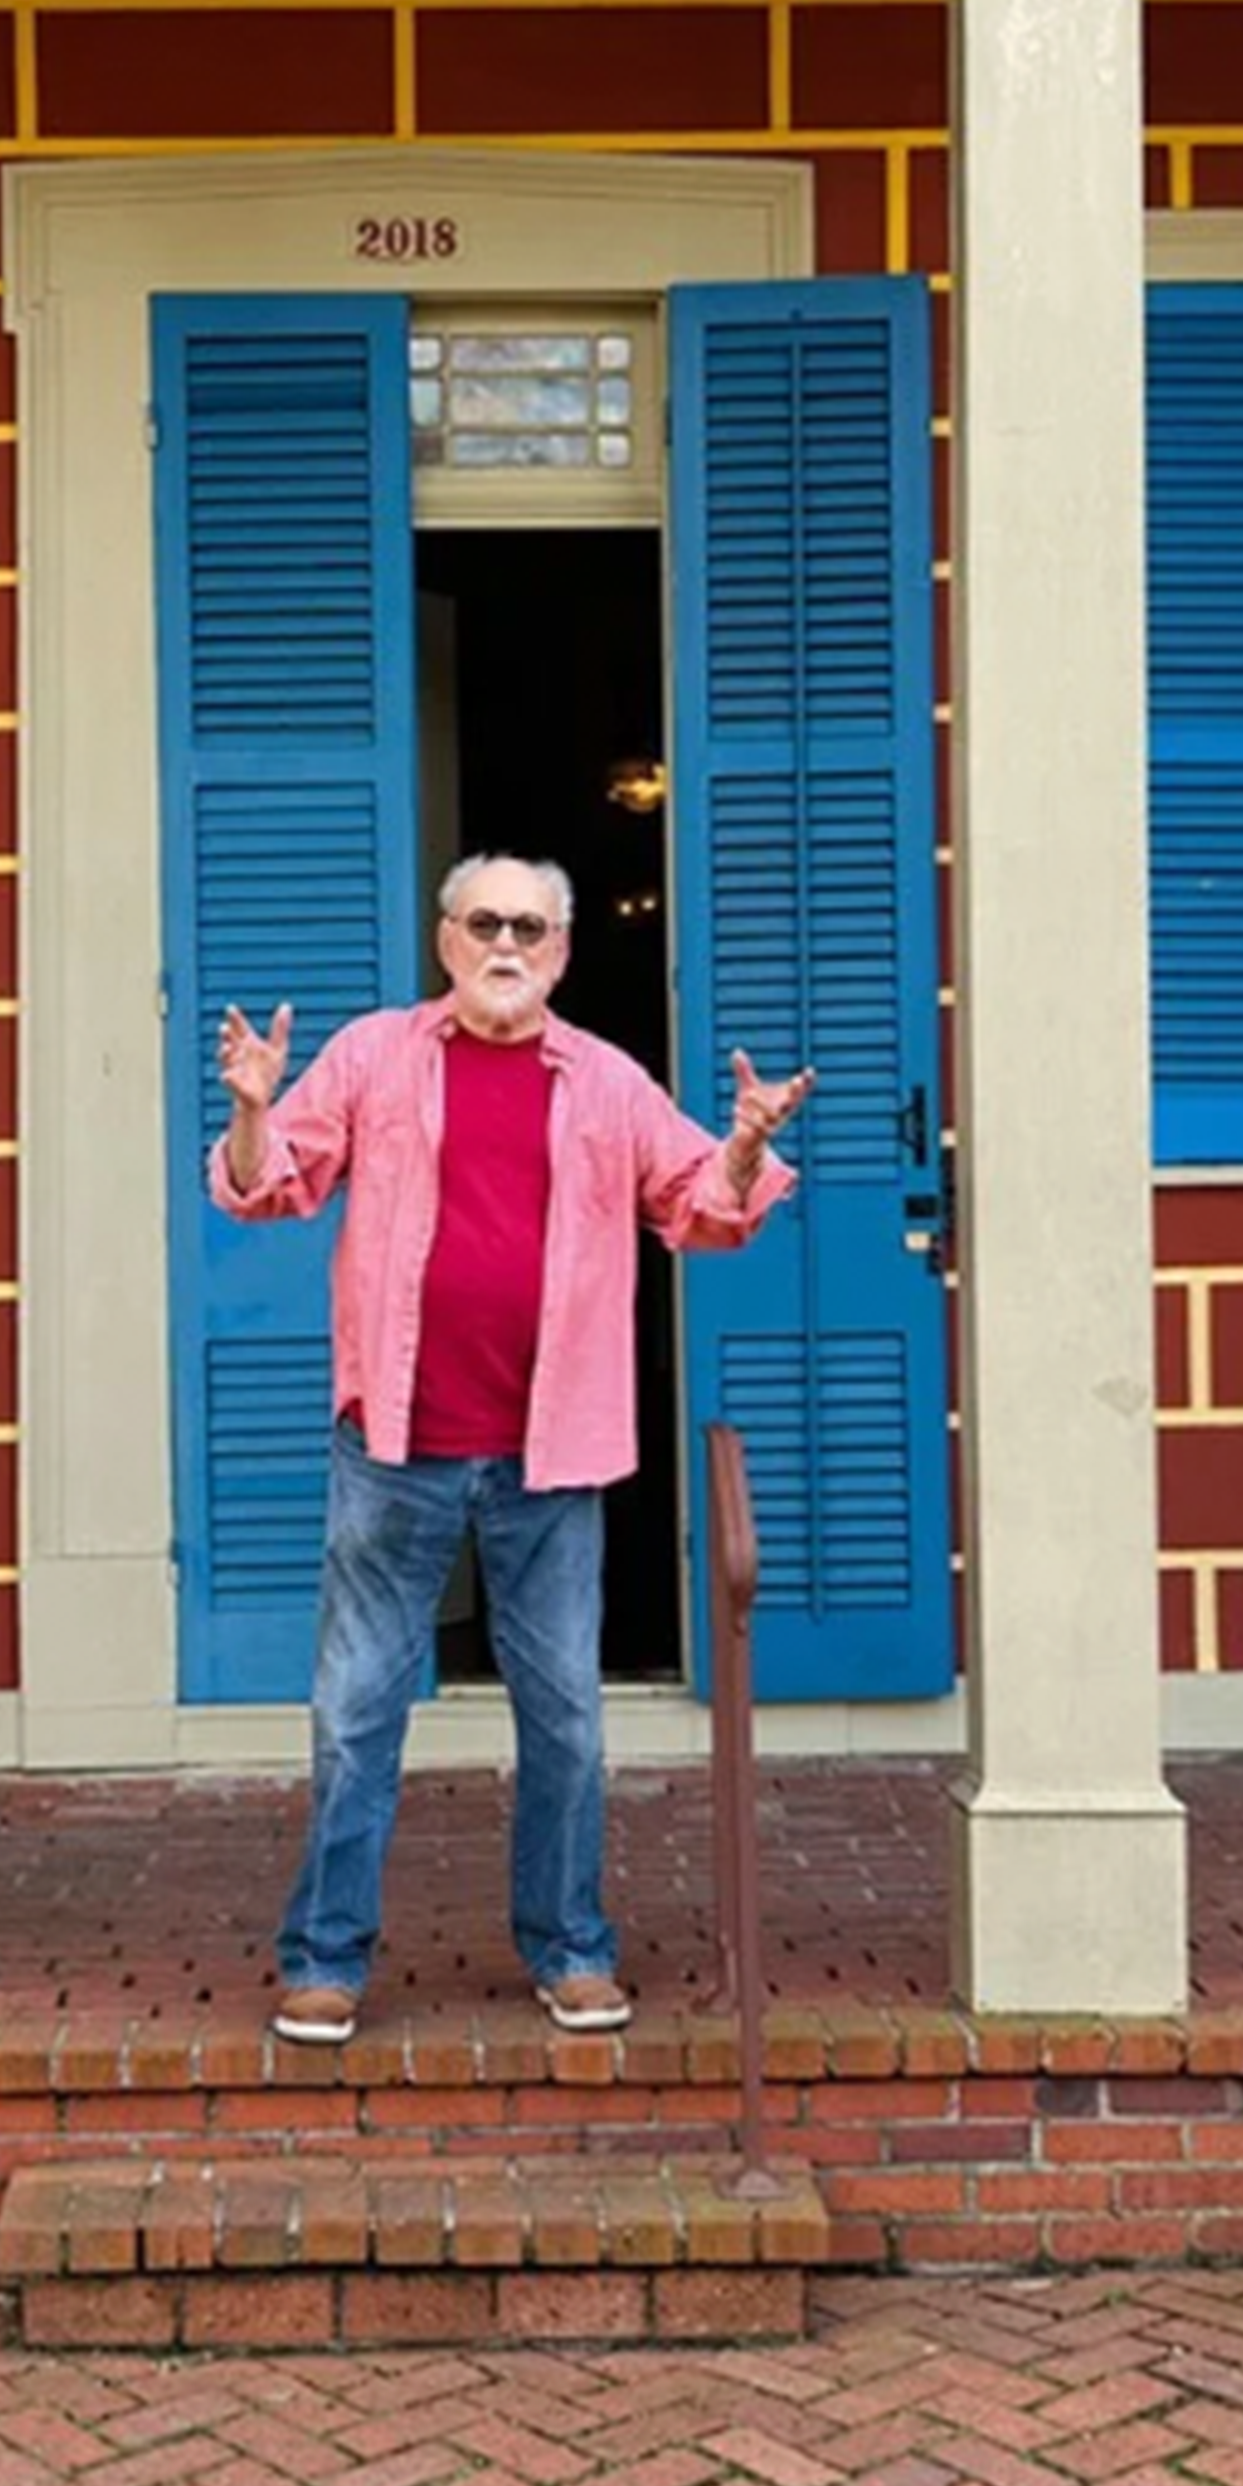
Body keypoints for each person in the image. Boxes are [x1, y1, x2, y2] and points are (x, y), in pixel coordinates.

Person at [210, 853, 808, 2046]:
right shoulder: (376, 1055)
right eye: (483, 921)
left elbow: (702, 1208)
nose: (505, 944)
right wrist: (252, 1108)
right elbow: (266, 1191)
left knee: (567, 1719)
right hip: (395, 1444)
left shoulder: (605, 1080)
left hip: (551, 1456)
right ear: (444, 939)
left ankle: (571, 1946)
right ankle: (325, 1958)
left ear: (562, 952)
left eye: (530, 927)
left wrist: (741, 1147)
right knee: (355, 1711)